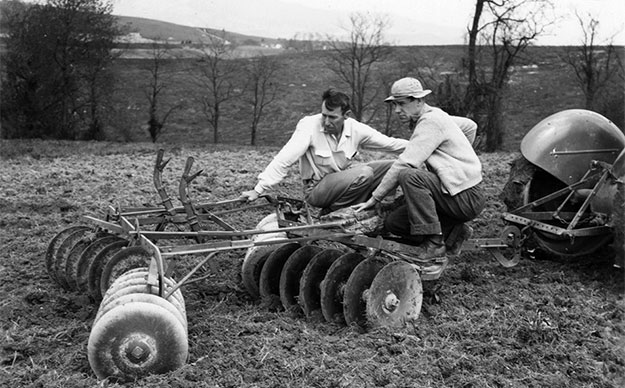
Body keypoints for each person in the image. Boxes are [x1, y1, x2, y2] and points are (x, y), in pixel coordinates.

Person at [352, 77, 485, 258]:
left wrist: (375, 198)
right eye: (394, 105)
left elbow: (405, 163)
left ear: (419, 100)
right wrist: (454, 160)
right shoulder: (437, 115)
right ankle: (454, 233)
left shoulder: (431, 121)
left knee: (409, 176)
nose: (397, 110)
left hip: (466, 197)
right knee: (394, 223)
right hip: (454, 195)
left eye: (402, 104)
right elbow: (470, 126)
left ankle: (434, 242)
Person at [240, 88, 409, 212]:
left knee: (394, 165)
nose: (326, 121)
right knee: (364, 173)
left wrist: (427, 145)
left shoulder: (356, 129)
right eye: (324, 115)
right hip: (316, 189)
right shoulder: (308, 126)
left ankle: (384, 208)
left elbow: (391, 144)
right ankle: (335, 212)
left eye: (332, 117)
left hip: (341, 182)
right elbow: (284, 159)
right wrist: (258, 190)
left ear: (346, 115)